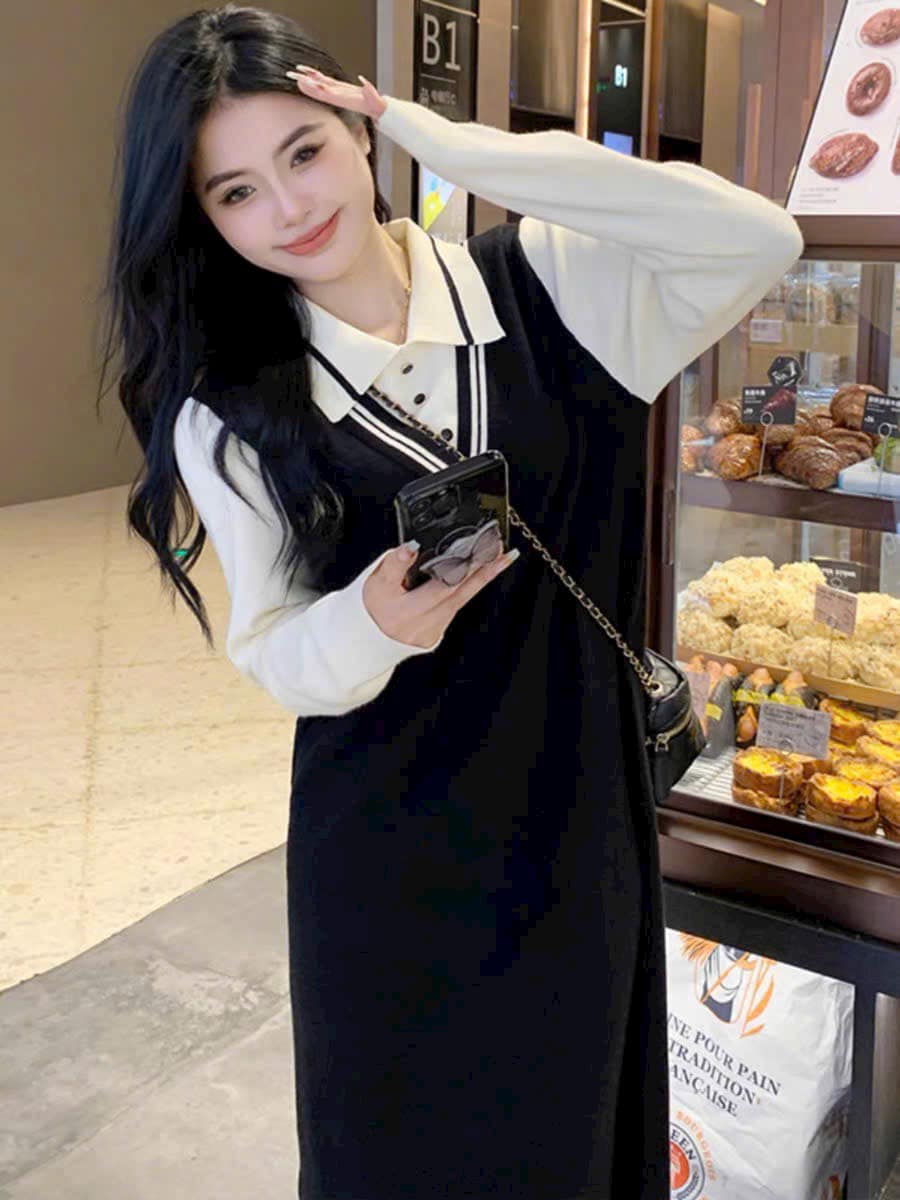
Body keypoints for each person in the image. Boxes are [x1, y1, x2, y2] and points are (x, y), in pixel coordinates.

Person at [98, 5, 804, 1197]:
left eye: (306, 151)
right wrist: (370, 621)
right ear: (202, 218)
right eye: (236, 192)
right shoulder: (232, 408)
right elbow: (270, 650)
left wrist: (443, 140)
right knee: (401, 1150)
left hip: (572, 817)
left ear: (356, 127)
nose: (290, 207)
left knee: (570, 1130)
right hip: (386, 847)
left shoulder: (547, 286)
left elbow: (758, 236)